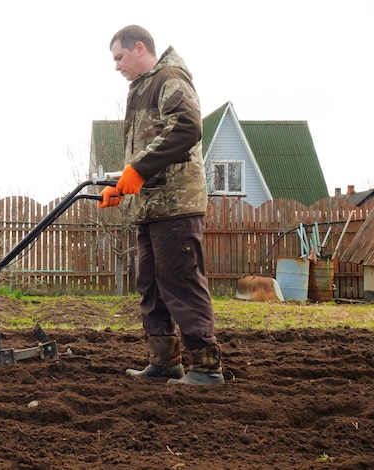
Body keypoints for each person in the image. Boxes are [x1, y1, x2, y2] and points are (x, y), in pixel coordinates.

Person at [97, 25, 224, 385]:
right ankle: (165, 361)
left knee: (180, 282)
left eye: (119, 58)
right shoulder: (140, 90)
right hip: (151, 207)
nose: (117, 66)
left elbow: (187, 128)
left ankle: (205, 366)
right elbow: (148, 151)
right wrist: (121, 185)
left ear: (139, 48)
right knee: (151, 286)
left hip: (177, 206)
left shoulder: (169, 78)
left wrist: (137, 170)